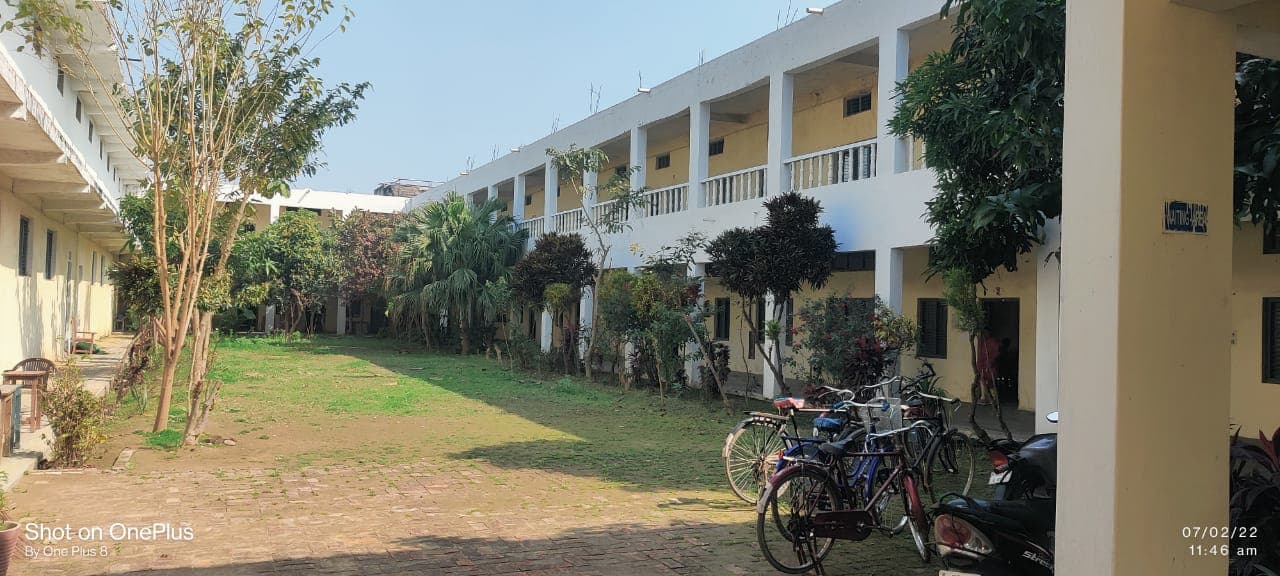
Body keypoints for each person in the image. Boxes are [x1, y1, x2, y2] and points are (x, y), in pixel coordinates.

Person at [975, 330, 1001, 406]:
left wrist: (991, 361)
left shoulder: (993, 341)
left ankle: (994, 399)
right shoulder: (981, 342)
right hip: (982, 366)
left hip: (990, 365)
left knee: (991, 382)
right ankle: (984, 398)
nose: (985, 334)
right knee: (982, 381)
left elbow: (997, 353)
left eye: (986, 332)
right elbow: (980, 354)